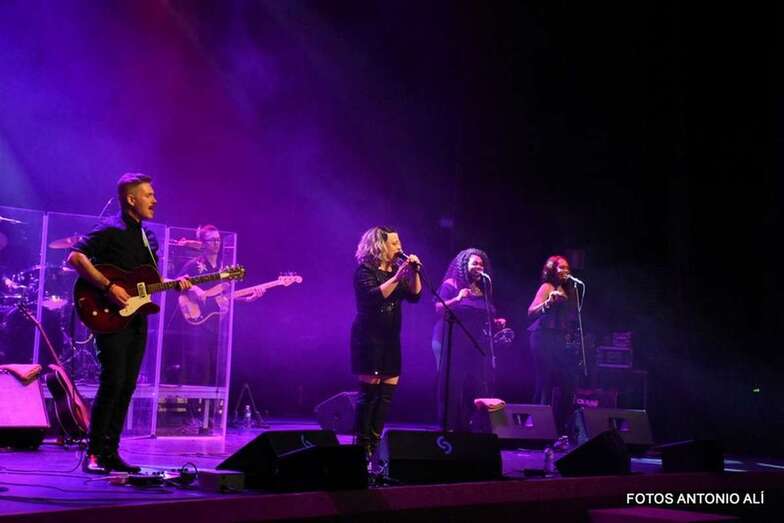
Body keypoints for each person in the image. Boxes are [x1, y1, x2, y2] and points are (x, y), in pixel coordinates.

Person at [67, 173, 192, 474]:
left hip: (136, 318)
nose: (155, 200)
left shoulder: (149, 238)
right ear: (131, 198)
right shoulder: (109, 228)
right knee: (112, 383)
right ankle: (94, 454)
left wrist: (176, 284)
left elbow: (150, 281)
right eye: (148, 194)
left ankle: (111, 452)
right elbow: (75, 258)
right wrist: (109, 287)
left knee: (127, 386)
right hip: (109, 314)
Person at [351, 226, 421, 462]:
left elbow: (415, 296)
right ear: (380, 246)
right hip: (368, 339)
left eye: (399, 241)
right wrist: (399, 275)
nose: (399, 247)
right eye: (394, 243)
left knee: (386, 396)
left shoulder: (395, 271)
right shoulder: (365, 271)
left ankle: (376, 440)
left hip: (391, 339)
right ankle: (362, 446)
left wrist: (414, 273)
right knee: (369, 395)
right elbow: (374, 296)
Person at [175, 225, 263, 386]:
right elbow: (177, 283)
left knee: (217, 370)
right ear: (203, 243)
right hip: (198, 325)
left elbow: (228, 296)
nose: (216, 243)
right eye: (212, 240)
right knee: (199, 368)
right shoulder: (194, 265)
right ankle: (194, 408)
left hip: (220, 325)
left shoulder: (228, 268)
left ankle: (213, 410)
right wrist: (194, 288)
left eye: (218, 239)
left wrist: (248, 298)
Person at [432, 248, 506, 431]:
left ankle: (477, 425)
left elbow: (481, 314)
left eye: (481, 264)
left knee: (480, 381)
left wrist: (496, 322)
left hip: (474, 342)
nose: (479, 267)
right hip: (451, 339)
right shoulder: (452, 283)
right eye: (475, 263)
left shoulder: (483, 288)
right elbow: (438, 309)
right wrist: (457, 298)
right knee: (453, 383)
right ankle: (449, 425)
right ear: (465, 265)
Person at [527, 255, 579, 435]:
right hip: (542, 337)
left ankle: (558, 426)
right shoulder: (547, 287)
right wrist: (548, 302)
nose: (565, 271)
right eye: (561, 268)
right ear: (552, 270)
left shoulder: (570, 291)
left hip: (559, 340)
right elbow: (531, 311)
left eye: (567, 268)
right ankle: (535, 427)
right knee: (544, 381)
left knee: (567, 382)